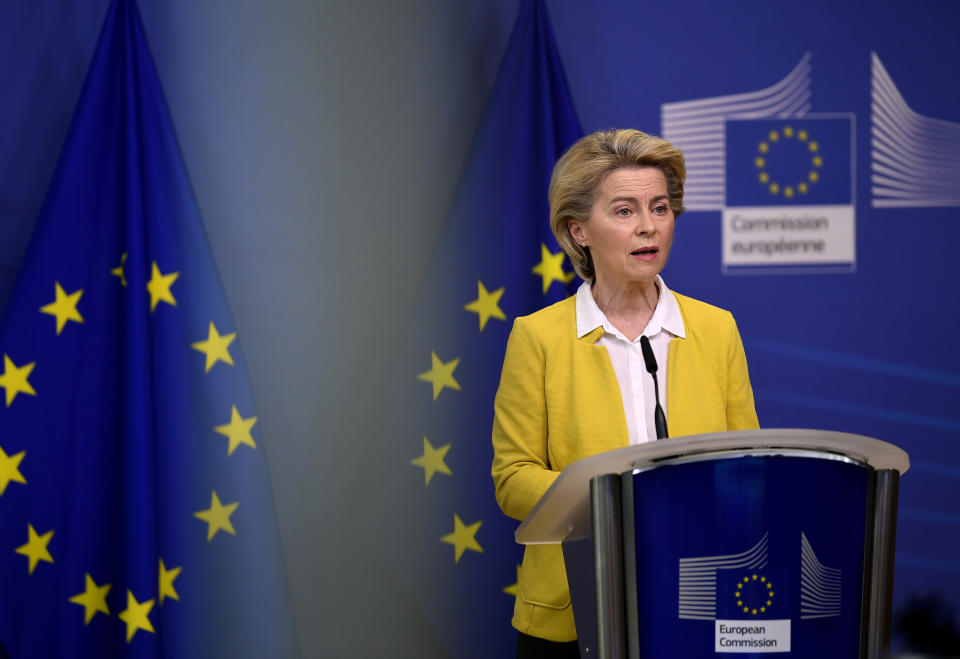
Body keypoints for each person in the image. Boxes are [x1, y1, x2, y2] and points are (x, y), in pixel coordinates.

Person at [491, 129, 760, 657]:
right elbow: (512, 479)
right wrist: (616, 501)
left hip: (697, 595)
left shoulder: (716, 329)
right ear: (579, 231)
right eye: (624, 211)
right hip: (571, 612)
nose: (648, 227)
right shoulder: (539, 337)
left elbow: (746, 467)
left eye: (660, 208)